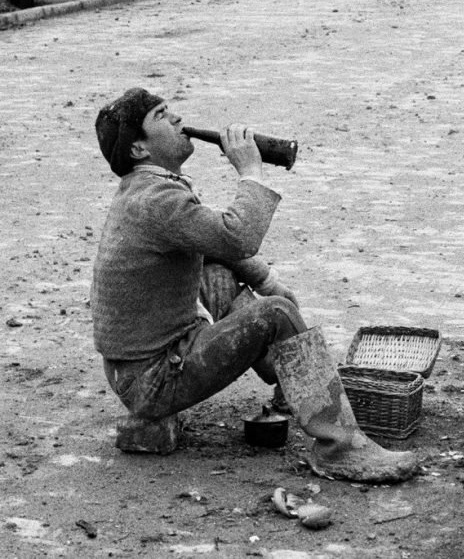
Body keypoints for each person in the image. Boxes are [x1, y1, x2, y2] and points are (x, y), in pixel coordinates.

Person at [91, 87, 418, 483]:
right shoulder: (155, 198)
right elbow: (237, 236)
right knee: (276, 314)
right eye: (161, 115)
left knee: (218, 273)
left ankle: (295, 387)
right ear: (140, 150)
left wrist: (267, 279)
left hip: (143, 365)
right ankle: (341, 449)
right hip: (153, 379)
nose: (177, 119)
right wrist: (250, 171)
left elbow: (215, 244)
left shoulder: (147, 189)